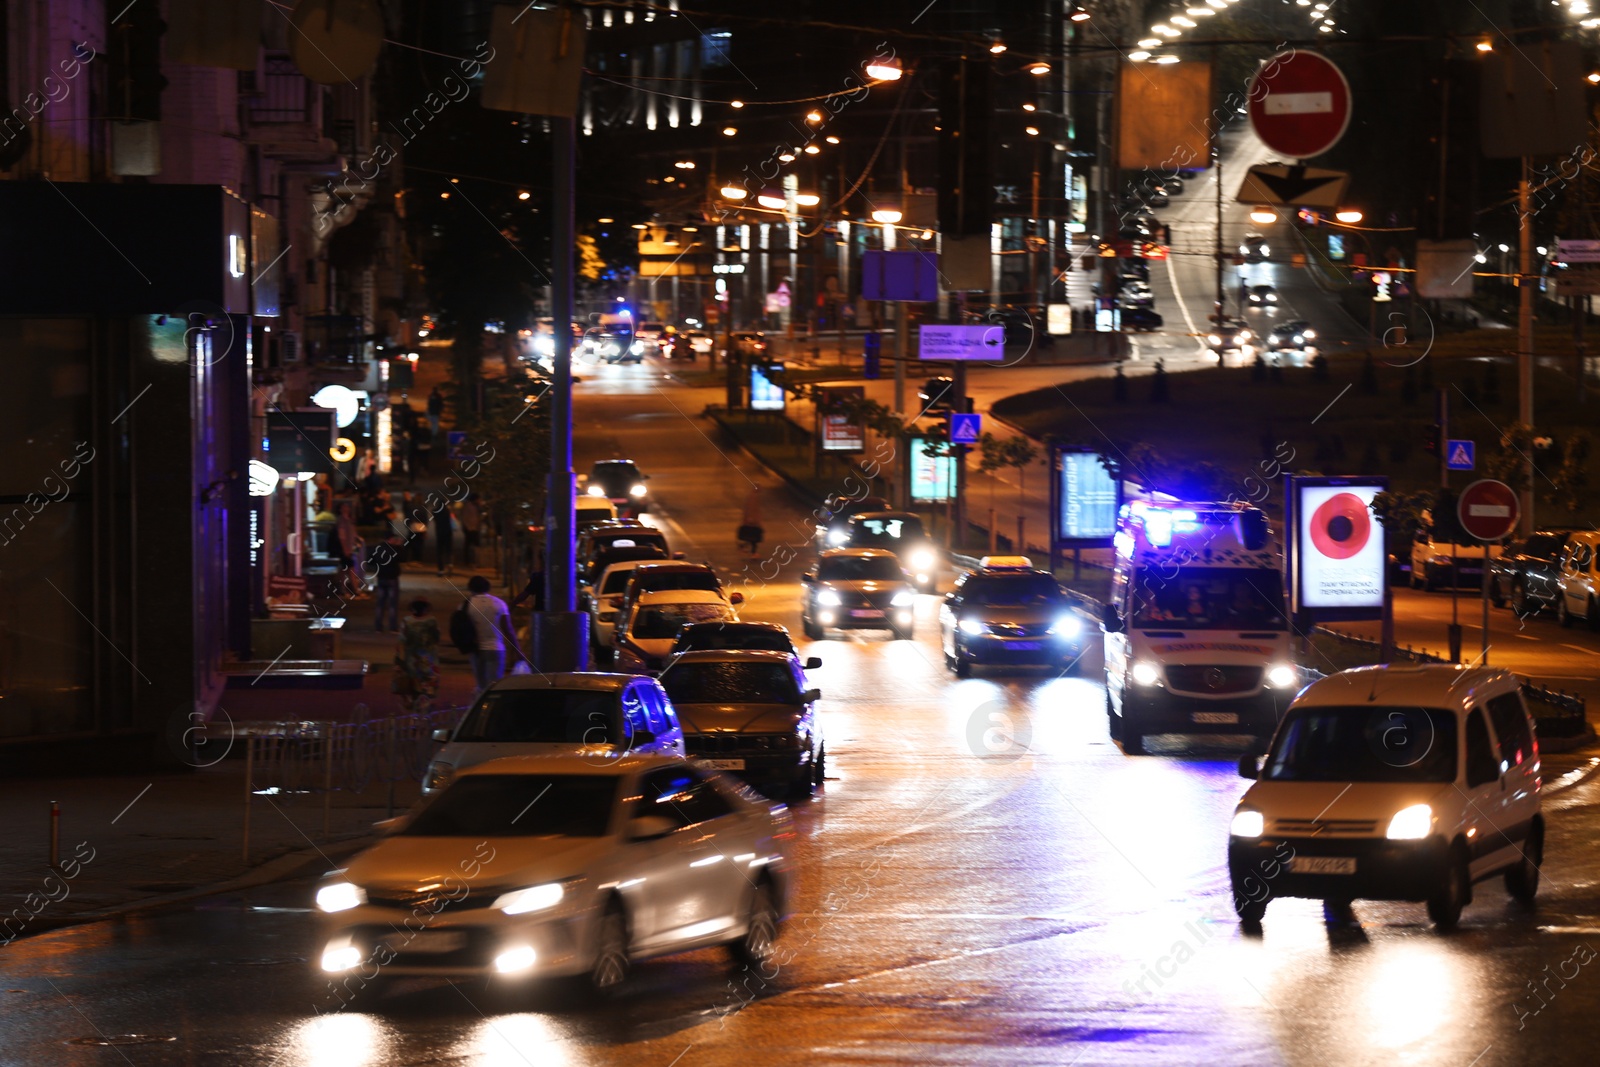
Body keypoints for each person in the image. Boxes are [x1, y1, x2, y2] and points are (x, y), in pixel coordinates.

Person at [467, 574, 523, 695]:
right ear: (488, 587)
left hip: (476, 650)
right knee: (494, 687)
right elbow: (508, 629)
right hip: (496, 649)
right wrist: (518, 651)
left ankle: (480, 709)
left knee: (481, 686)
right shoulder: (499, 604)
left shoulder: (466, 605)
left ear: (470, 588)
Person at [392, 598, 441, 714]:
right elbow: (436, 637)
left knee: (414, 683)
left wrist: (398, 660)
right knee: (428, 681)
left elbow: (402, 641)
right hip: (428, 657)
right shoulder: (432, 621)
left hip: (411, 658)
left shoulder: (406, 621)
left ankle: (415, 704)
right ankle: (425, 704)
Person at [373, 536, 403, 631]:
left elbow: (371, 559)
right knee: (392, 604)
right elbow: (403, 558)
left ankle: (378, 626)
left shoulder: (379, 548)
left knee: (380, 604)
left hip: (381, 577)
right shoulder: (395, 549)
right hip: (392, 578)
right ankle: (393, 627)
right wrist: (399, 547)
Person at [737, 486, 765, 555]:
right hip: (752, 521)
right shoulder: (754, 497)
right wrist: (752, 519)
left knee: (752, 537)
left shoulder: (752, 496)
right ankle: (753, 552)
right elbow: (752, 509)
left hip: (752, 520)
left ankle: (747, 548)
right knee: (754, 537)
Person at [460, 495, 482, 567]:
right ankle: (468, 561)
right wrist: (468, 527)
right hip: (470, 528)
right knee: (468, 545)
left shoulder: (477, 507)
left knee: (476, 545)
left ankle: (476, 560)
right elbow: (464, 517)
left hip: (475, 528)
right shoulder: (468, 506)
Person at [434, 502, 455, 577]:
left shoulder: (435, 512)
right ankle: (450, 565)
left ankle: (441, 570)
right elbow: (453, 522)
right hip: (448, 533)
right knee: (449, 550)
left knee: (440, 552)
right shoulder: (448, 512)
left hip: (440, 533)